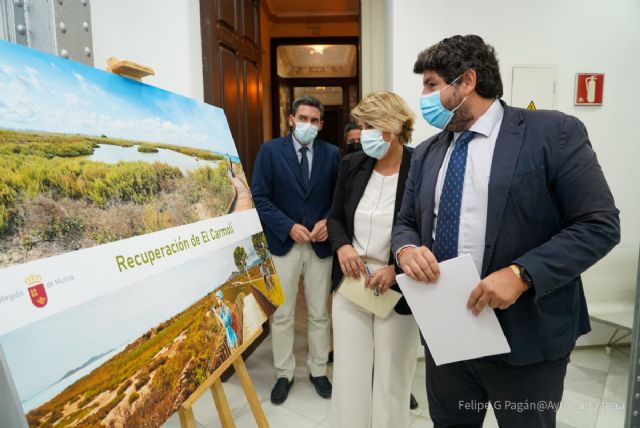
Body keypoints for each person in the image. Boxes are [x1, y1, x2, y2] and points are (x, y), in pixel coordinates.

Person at [392, 35, 620, 428]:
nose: (423, 95)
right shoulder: (429, 152)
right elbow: (406, 222)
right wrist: (407, 249)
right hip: (448, 338)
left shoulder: (553, 133)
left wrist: (522, 274)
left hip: (527, 338)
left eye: (431, 84)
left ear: (467, 81)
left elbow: (598, 225)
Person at [327, 91, 419, 428]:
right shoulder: (353, 164)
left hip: (397, 286)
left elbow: (430, 231)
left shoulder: (420, 166)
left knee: (392, 380)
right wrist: (342, 247)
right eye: (361, 125)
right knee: (350, 377)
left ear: (392, 127)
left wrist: (397, 270)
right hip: (353, 283)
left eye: (368, 125)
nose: (362, 132)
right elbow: (335, 218)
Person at [251, 95, 340, 404]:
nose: (308, 125)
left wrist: (328, 222)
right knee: (283, 314)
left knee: (319, 314)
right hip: (283, 244)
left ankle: (318, 371)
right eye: (303, 118)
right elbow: (260, 198)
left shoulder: (332, 154)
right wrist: (288, 225)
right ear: (291, 119)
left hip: (319, 246)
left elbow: (339, 199)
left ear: (322, 124)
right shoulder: (270, 151)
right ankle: (284, 374)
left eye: (314, 120)